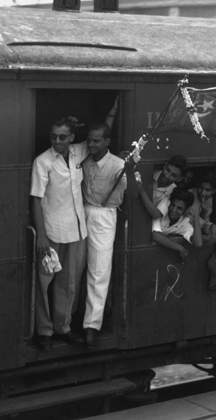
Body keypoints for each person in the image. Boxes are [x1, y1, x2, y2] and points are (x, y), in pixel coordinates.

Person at [30, 117, 89, 349]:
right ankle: (44, 332)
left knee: (69, 283)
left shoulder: (78, 152)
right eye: (53, 136)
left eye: (62, 137)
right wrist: (41, 235)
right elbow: (36, 199)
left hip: (77, 232)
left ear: (72, 138)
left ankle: (62, 328)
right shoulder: (42, 162)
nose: (57, 141)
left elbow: (103, 131)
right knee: (44, 283)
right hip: (52, 232)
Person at [80, 123, 127, 348]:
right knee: (76, 268)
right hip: (81, 212)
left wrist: (130, 167)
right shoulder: (85, 161)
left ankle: (92, 324)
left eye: (96, 140)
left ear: (107, 141)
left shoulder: (119, 166)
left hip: (104, 216)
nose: (91, 144)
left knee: (99, 270)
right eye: (89, 140)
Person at [152, 188, 200, 259]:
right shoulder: (162, 212)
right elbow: (155, 235)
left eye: (179, 208)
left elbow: (198, 243)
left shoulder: (185, 222)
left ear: (186, 210)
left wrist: (196, 217)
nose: (174, 210)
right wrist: (179, 248)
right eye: (173, 205)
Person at [136, 155, 187, 219]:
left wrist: (141, 191)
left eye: (173, 175)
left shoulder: (173, 192)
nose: (167, 176)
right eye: (168, 170)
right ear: (165, 166)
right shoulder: (151, 172)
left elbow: (156, 214)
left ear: (179, 178)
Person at [188, 171, 216, 246]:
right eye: (201, 188)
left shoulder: (209, 199)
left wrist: (205, 212)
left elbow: (206, 224)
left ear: (214, 191)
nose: (203, 192)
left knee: (214, 231)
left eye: (207, 190)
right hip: (186, 228)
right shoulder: (190, 194)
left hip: (198, 228)